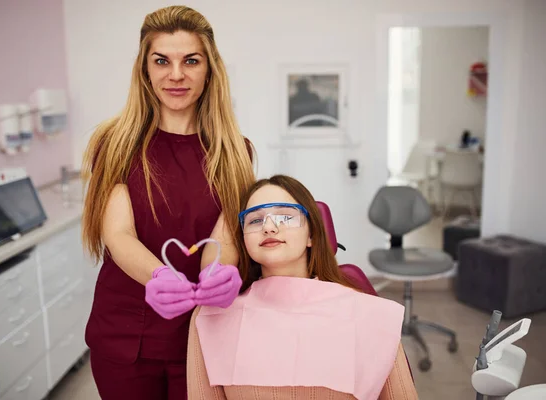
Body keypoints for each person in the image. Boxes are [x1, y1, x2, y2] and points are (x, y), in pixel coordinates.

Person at [80, 5, 255, 400]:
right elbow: (118, 233)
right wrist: (160, 277)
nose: (176, 74)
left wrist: (217, 273)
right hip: (126, 338)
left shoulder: (234, 151)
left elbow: (222, 236)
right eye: (162, 60)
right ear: (145, 69)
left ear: (209, 69)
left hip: (202, 336)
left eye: (191, 60)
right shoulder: (116, 144)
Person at [186, 175, 419, 399]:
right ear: (244, 240)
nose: (269, 227)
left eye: (285, 217)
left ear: (312, 236)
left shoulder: (371, 316)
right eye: (255, 220)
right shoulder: (211, 317)